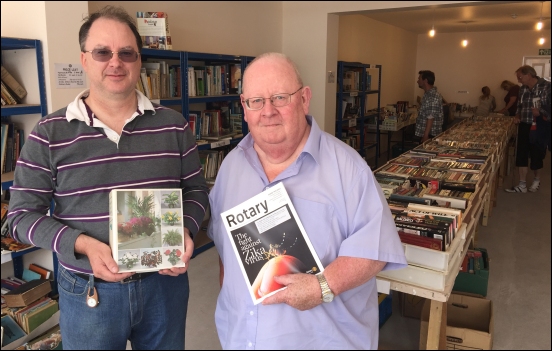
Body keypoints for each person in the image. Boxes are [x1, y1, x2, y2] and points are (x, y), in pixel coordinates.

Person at [7, 6, 209, 350]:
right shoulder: (49, 133)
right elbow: (20, 217)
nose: (115, 62)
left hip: (164, 287)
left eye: (126, 53)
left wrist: (186, 230)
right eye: (102, 52)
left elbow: (195, 192)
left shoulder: (173, 125)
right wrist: (83, 244)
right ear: (85, 59)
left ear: (138, 61)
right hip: (88, 289)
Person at [207, 52, 407, 350]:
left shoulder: (348, 168)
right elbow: (225, 249)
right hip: (240, 339)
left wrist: (322, 286)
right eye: (256, 101)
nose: (268, 111)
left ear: (304, 99)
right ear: (244, 108)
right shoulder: (231, 165)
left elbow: (375, 249)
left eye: (280, 97)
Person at [505, 65, 551, 193]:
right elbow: (519, 106)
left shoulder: (546, 86)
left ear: (529, 75)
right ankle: (522, 184)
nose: (519, 80)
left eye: (520, 77)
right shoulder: (522, 89)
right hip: (524, 124)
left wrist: (541, 112)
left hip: (539, 125)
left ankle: (537, 180)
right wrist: (518, 115)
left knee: (537, 155)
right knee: (521, 154)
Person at [415, 70, 444, 143]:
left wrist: (425, 136)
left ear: (425, 80)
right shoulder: (427, 95)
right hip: (427, 134)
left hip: (430, 135)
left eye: (419, 79)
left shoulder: (432, 96)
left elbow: (430, 117)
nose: (417, 81)